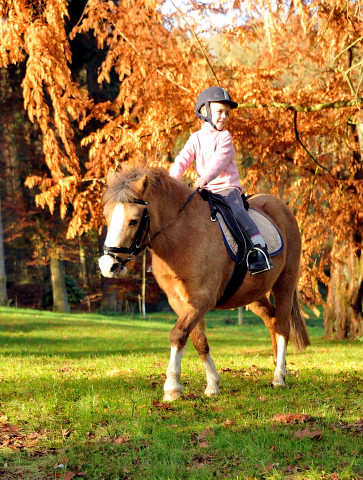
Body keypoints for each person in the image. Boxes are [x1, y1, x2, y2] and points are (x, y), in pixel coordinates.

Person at [169, 86, 273, 275]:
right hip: (204, 191)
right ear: (204, 111)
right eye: (220, 111)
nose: (224, 116)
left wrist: (204, 178)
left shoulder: (225, 137)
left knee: (237, 210)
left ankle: (258, 247)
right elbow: (182, 159)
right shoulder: (195, 138)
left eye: (227, 113)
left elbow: (219, 162)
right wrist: (171, 181)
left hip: (226, 188)